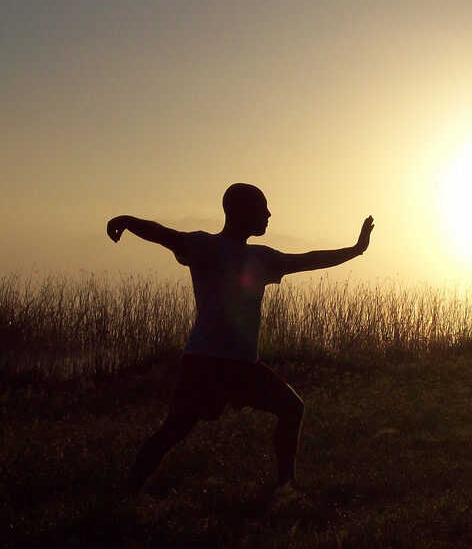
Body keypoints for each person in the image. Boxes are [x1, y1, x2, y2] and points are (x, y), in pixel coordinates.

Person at [107, 183, 373, 498]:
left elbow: (309, 259)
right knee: (174, 429)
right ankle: (129, 495)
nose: (269, 214)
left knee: (292, 408)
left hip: (243, 364)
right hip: (205, 362)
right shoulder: (205, 246)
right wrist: (127, 220)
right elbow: (163, 234)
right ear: (241, 213)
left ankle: (286, 487)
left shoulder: (262, 257)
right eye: (262, 209)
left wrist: (356, 249)